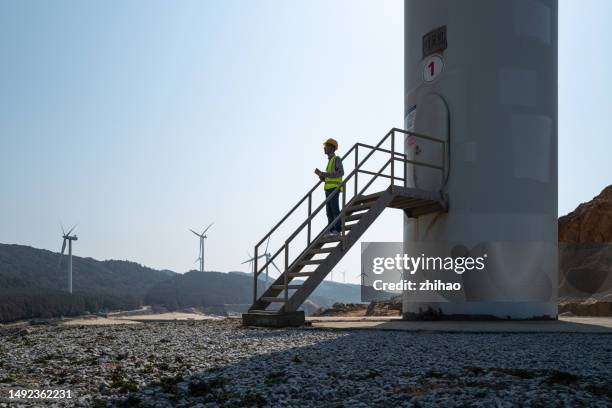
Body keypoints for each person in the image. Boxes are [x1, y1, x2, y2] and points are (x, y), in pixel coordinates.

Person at [314, 138, 344, 235]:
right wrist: (322, 177)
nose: (324, 148)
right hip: (328, 189)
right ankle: (331, 229)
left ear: (332, 147)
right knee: (329, 211)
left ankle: (338, 229)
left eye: (326, 146)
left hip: (335, 188)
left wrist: (325, 174)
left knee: (335, 209)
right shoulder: (330, 161)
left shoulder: (336, 159)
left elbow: (340, 173)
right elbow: (330, 177)